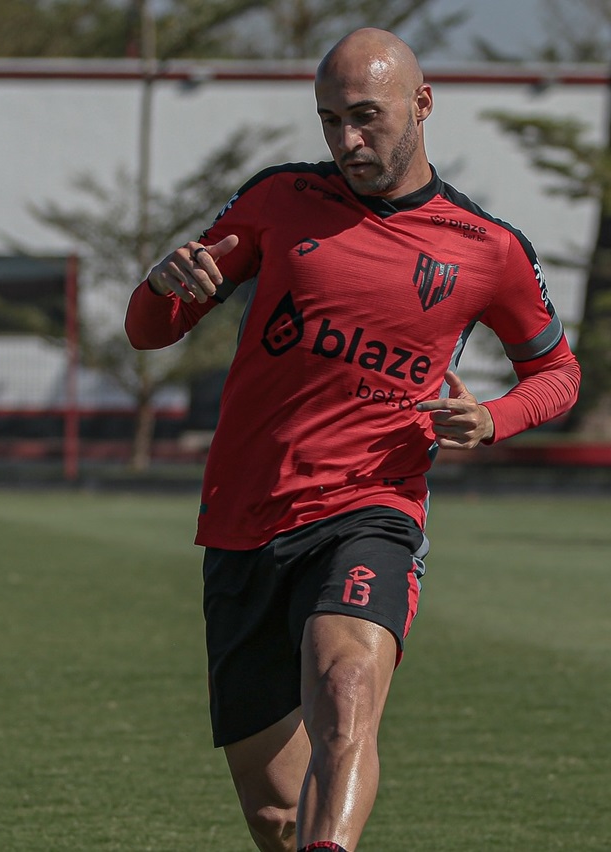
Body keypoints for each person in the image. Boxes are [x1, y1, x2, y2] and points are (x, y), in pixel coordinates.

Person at [124, 27, 581, 852]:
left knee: (345, 686)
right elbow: (150, 331)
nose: (348, 141)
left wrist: (495, 418)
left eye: (366, 117)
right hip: (243, 516)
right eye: (330, 120)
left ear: (423, 104)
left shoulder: (489, 249)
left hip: (370, 506)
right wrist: (164, 284)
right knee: (272, 812)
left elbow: (557, 372)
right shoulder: (277, 199)